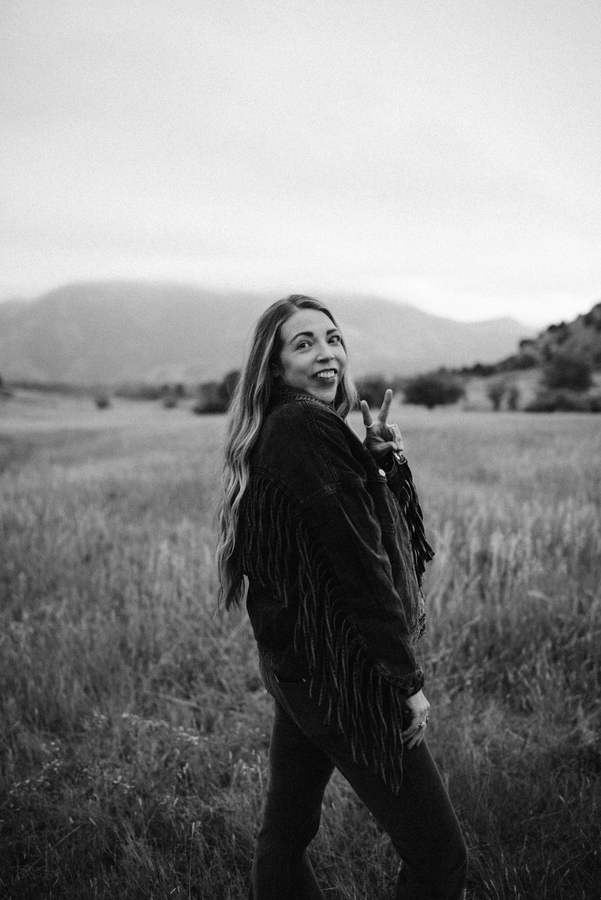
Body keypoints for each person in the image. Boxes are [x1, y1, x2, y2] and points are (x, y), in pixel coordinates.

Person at [216, 295, 467, 900]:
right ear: (274, 368)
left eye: (332, 338)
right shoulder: (305, 427)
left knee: (286, 831)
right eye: (304, 343)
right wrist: (404, 682)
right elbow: (361, 566)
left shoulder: (285, 429)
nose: (327, 353)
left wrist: (378, 464)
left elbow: (340, 533)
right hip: (344, 676)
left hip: (300, 669)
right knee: (440, 859)